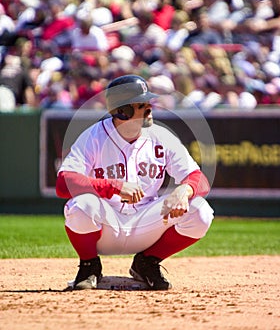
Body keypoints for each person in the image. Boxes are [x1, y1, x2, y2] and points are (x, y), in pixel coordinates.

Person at [56, 74, 214, 291]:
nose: (150, 107)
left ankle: (146, 262)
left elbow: (200, 179)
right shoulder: (93, 136)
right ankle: (89, 265)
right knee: (81, 206)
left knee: (200, 211)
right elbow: (64, 183)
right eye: (142, 104)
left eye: (149, 102)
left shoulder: (161, 136)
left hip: (146, 223)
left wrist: (185, 190)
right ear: (123, 110)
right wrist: (113, 186)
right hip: (106, 224)